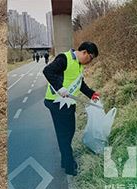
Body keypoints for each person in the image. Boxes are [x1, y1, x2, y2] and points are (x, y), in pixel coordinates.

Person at [42, 41, 100, 176]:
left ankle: (65, 160)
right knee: (64, 134)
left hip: (68, 103)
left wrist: (91, 94)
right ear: (84, 52)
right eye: (90, 58)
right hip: (57, 103)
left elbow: (79, 84)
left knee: (69, 132)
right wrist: (60, 88)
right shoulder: (64, 58)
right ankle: (69, 166)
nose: (90, 61)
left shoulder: (78, 65)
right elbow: (48, 71)